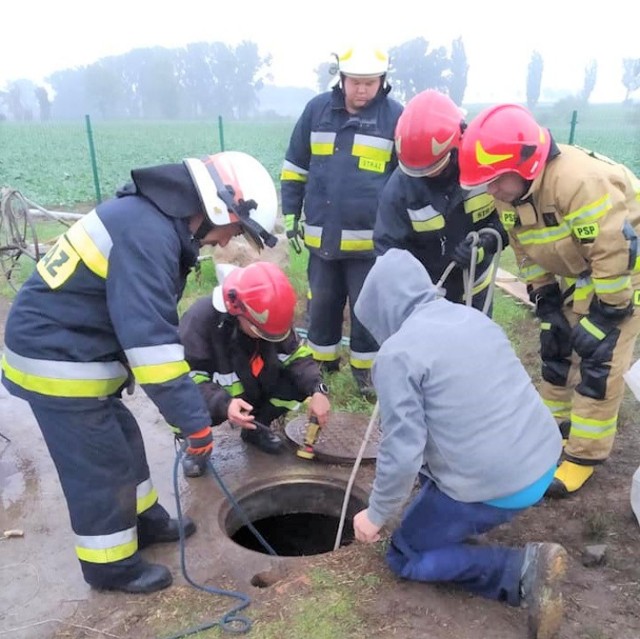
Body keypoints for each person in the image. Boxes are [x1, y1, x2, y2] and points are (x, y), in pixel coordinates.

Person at [0, 151, 278, 594]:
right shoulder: (149, 236)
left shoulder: (153, 222)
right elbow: (153, 348)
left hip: (76, 350)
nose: (227, 242)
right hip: (56, 358)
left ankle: (144, 521)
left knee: (123, 438)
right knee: (100, 463)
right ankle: (110, 566)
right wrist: (195, 422)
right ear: (216, 207)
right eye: (235, 229)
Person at [352, 249, 567, 639]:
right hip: (542, 458)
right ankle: (458, 514)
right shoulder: (470, 317)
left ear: (381, 309)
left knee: (406, 555)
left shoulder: (398, 354)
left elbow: (402, 452)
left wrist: (375, 514)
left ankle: (519, 570)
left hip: (500, 484)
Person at [458, 103, 640, 497]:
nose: (489, 190)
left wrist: (608, 314)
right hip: (587, 265)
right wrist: (546, 299)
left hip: (626, 269)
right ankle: (551, 430)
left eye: (493, 180)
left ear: (524, 165)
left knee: (599, 358)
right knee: (557, 345)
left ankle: (584, 455)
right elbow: (525, 248)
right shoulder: (509, 193)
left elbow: (613, 250)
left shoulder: (579, 183)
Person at [280, 45, 403, 398]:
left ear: (382, 82)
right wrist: (291, 211)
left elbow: (405, 180)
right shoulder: (316, 111)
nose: (362, 90)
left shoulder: (395, 118)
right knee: (322, 304)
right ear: (342, 79)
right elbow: (295, 165)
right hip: (322, 238)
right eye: (355, 82)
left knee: (366, 311)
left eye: (370, 83)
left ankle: (365, 375)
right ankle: (323, 365)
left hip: (370, 243)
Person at [177, 260, 331, 477]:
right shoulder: (200, 320)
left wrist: (318, 389)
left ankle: (256, 429)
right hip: (214, 397)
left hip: (250, 390)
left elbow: (297, 357)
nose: (269, 338)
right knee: (185, 404)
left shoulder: (270, 317)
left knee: (296, 384)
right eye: (262, 332)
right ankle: (195, 446)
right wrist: (224, 404)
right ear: (237, 311)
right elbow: (185, 381)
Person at [374, 89, 508, 312]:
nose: (427, 174)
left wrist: (485, 245)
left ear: (457, 145)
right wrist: (406, 291)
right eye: (419, 170)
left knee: (475, 345)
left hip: (475, 290)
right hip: (425, 294)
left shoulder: (486, 169)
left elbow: (511, 220)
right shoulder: (400, 187)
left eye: (434, 167)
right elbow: (387, 248)